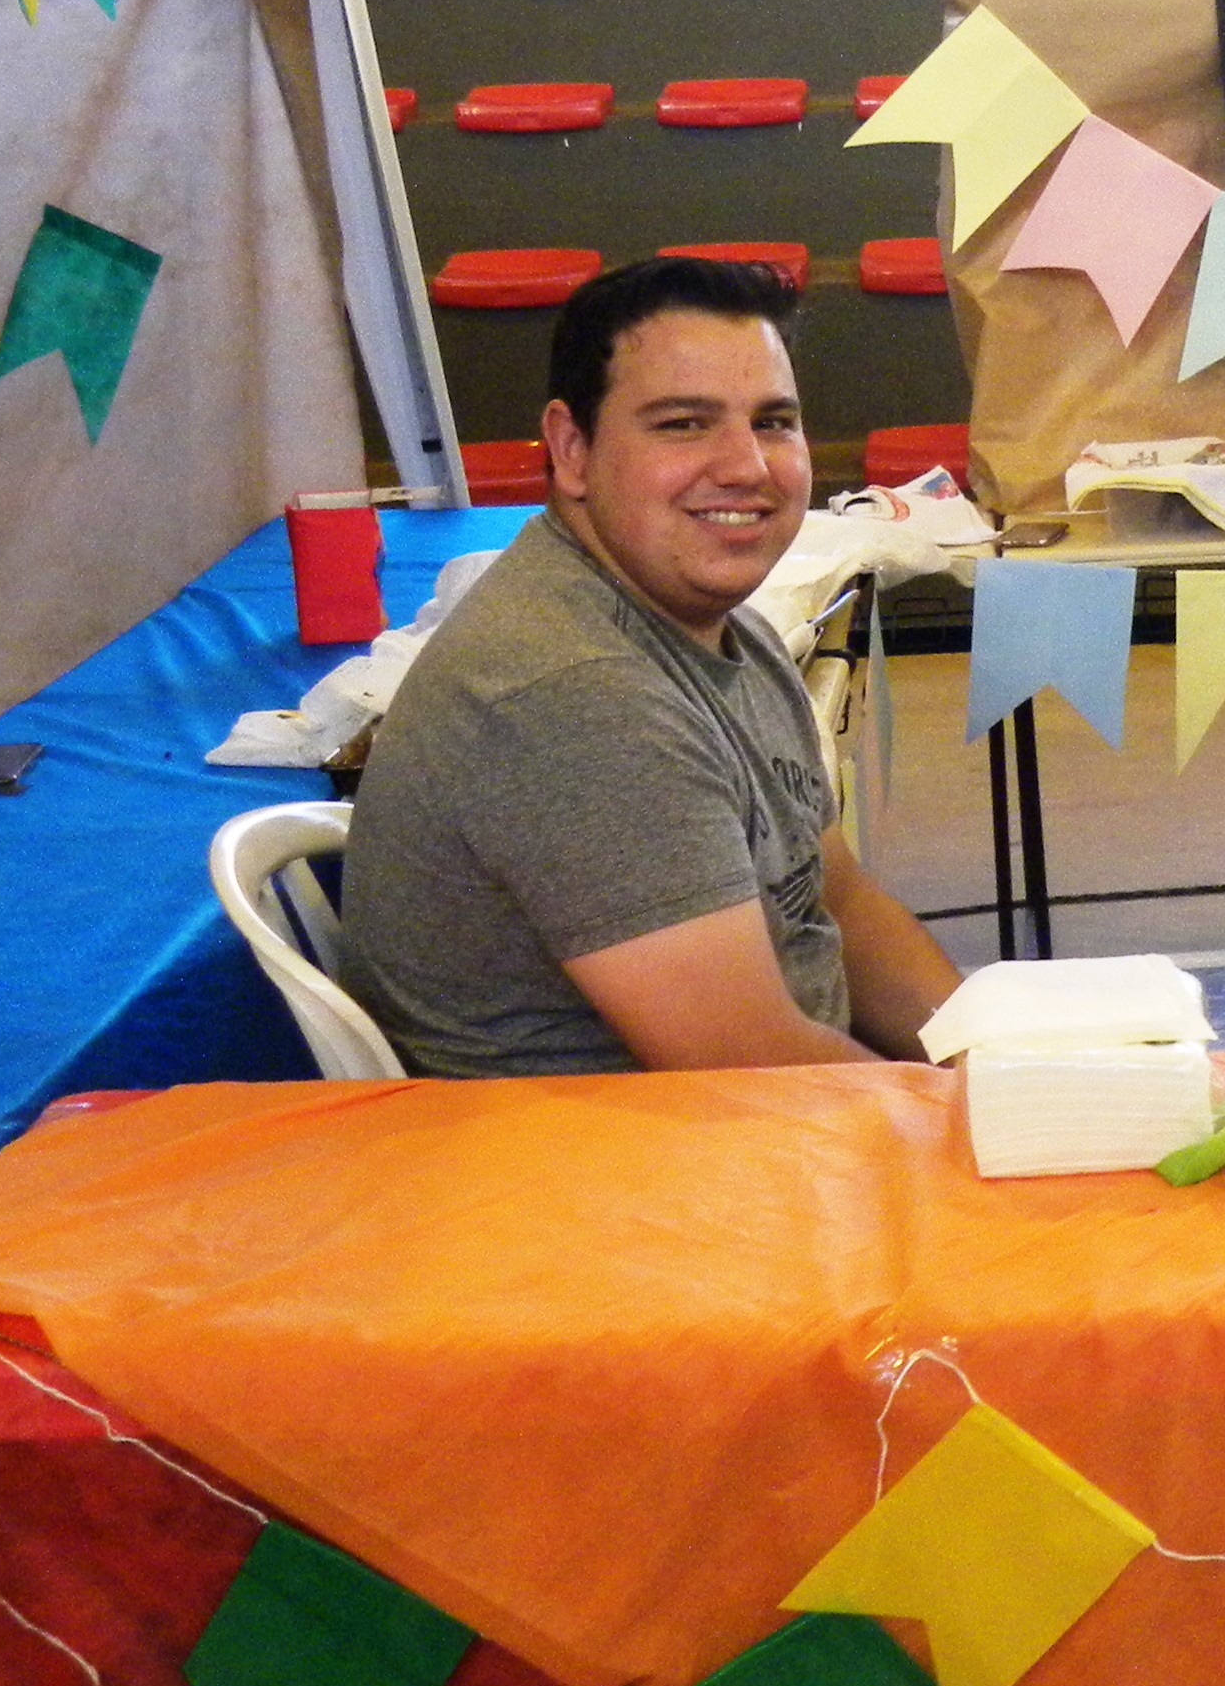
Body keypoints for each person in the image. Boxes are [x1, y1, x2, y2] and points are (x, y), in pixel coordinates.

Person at [342, 256, 958, 1076]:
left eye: (774, 421)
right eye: (683, 424)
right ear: (571, 450)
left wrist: (988, 1062)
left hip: (742, 1121)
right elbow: (747, 1067)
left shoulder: (725, 631)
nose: (747, 466)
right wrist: (982, 1120)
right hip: (629, 1147)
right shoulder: (574, 694)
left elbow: (839, 902)